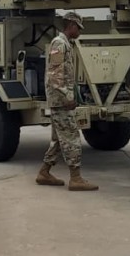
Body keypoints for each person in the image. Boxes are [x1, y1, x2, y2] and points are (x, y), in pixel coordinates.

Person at [35, 11, 99, 191]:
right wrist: (67, 97)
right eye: (78, 28)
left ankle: (44, 172)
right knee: (71, 137)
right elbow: (54, 76)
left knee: (58, 139)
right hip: (61, 102)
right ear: (71, 25)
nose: (79, 31)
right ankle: (76, 178)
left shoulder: (66, 44)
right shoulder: (59, 44)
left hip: (61, 100)